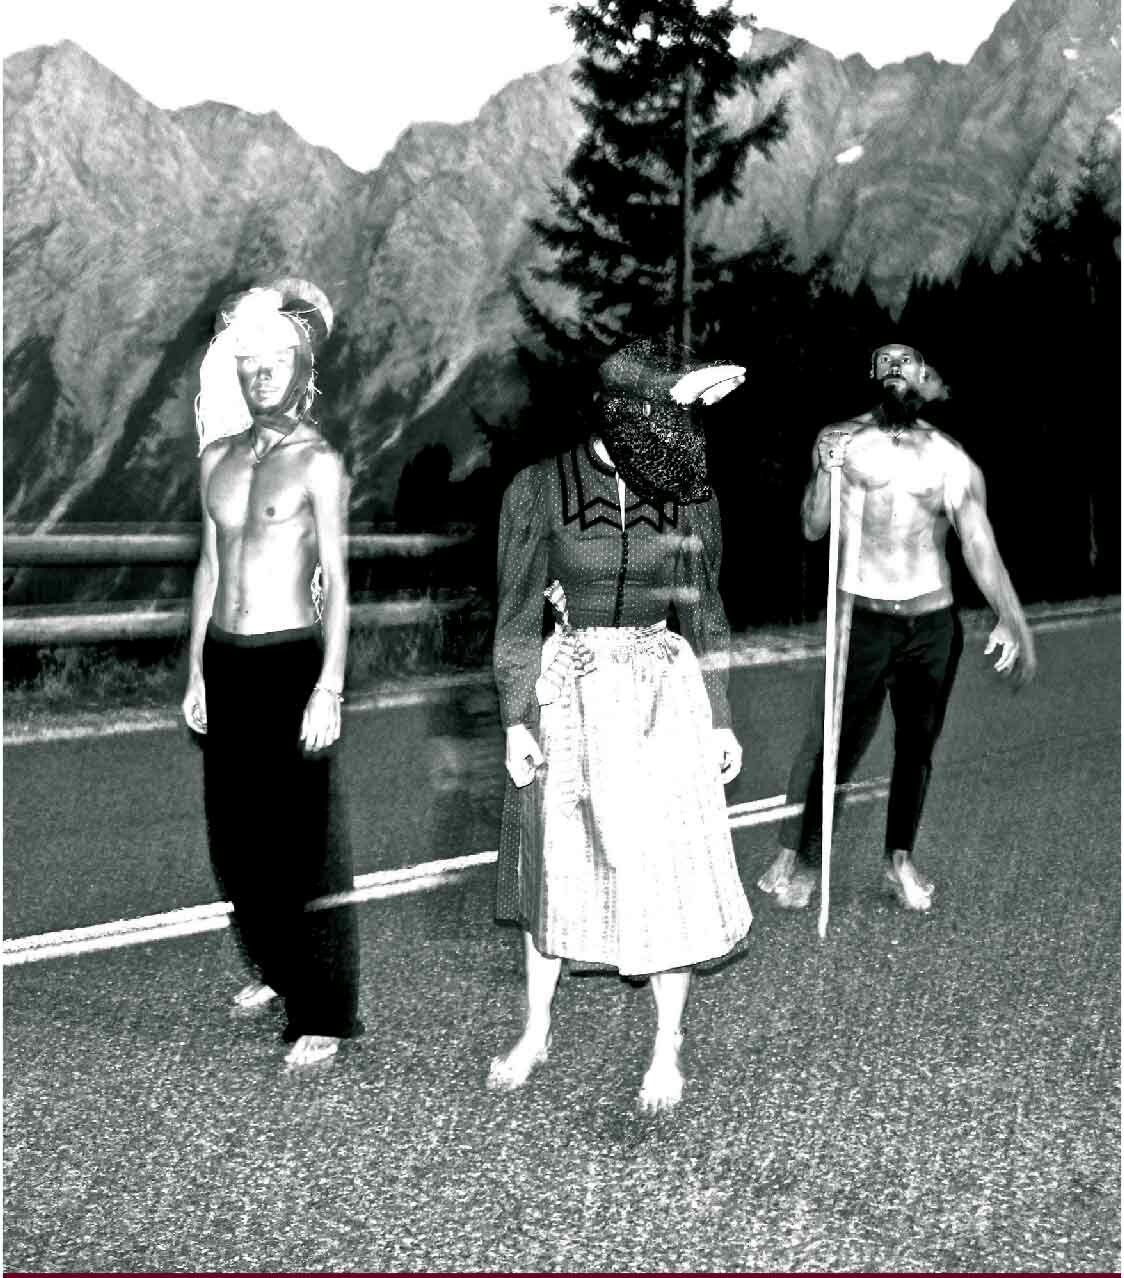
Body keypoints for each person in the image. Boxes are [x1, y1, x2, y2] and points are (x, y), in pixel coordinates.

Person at [489, 337, 752, 1113]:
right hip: (570, 686)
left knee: (668, 865)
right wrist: (516, 717)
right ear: (619, 413)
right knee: (554, 859)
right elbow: (515, 615)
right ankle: (537, 1028)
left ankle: (667, 1042)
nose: (676, 434)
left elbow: (705, 606)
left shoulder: (688, 492)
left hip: (663, 689)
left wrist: (721, 717)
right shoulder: (540, 489)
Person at [758, 342, 1038, 912]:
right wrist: (824, 473)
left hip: (931, 624)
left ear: (922, 375)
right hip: (863, 620)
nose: (894, 366)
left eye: (905, 360)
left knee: (917, 746)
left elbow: (978, 543)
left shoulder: (948, 456)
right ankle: (804, 858)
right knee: (838, 746)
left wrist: (1010, 617)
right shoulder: (840, 440)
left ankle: (899, 860)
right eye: (884, 359)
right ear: (871, 373)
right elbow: (813, 527)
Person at [182, 278, 363, 1068]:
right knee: (236, 843)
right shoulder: (216, 460)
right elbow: (208, 568)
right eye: (250, 365)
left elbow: (341, 584)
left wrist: (330, 686)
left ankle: (323, 1013)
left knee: (302, 848)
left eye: (276, 364)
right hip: (227, 661)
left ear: (299, 373)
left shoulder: (318, 462)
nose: (262, 376)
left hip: (291, 660)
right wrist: (196, 673)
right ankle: (280, 968)